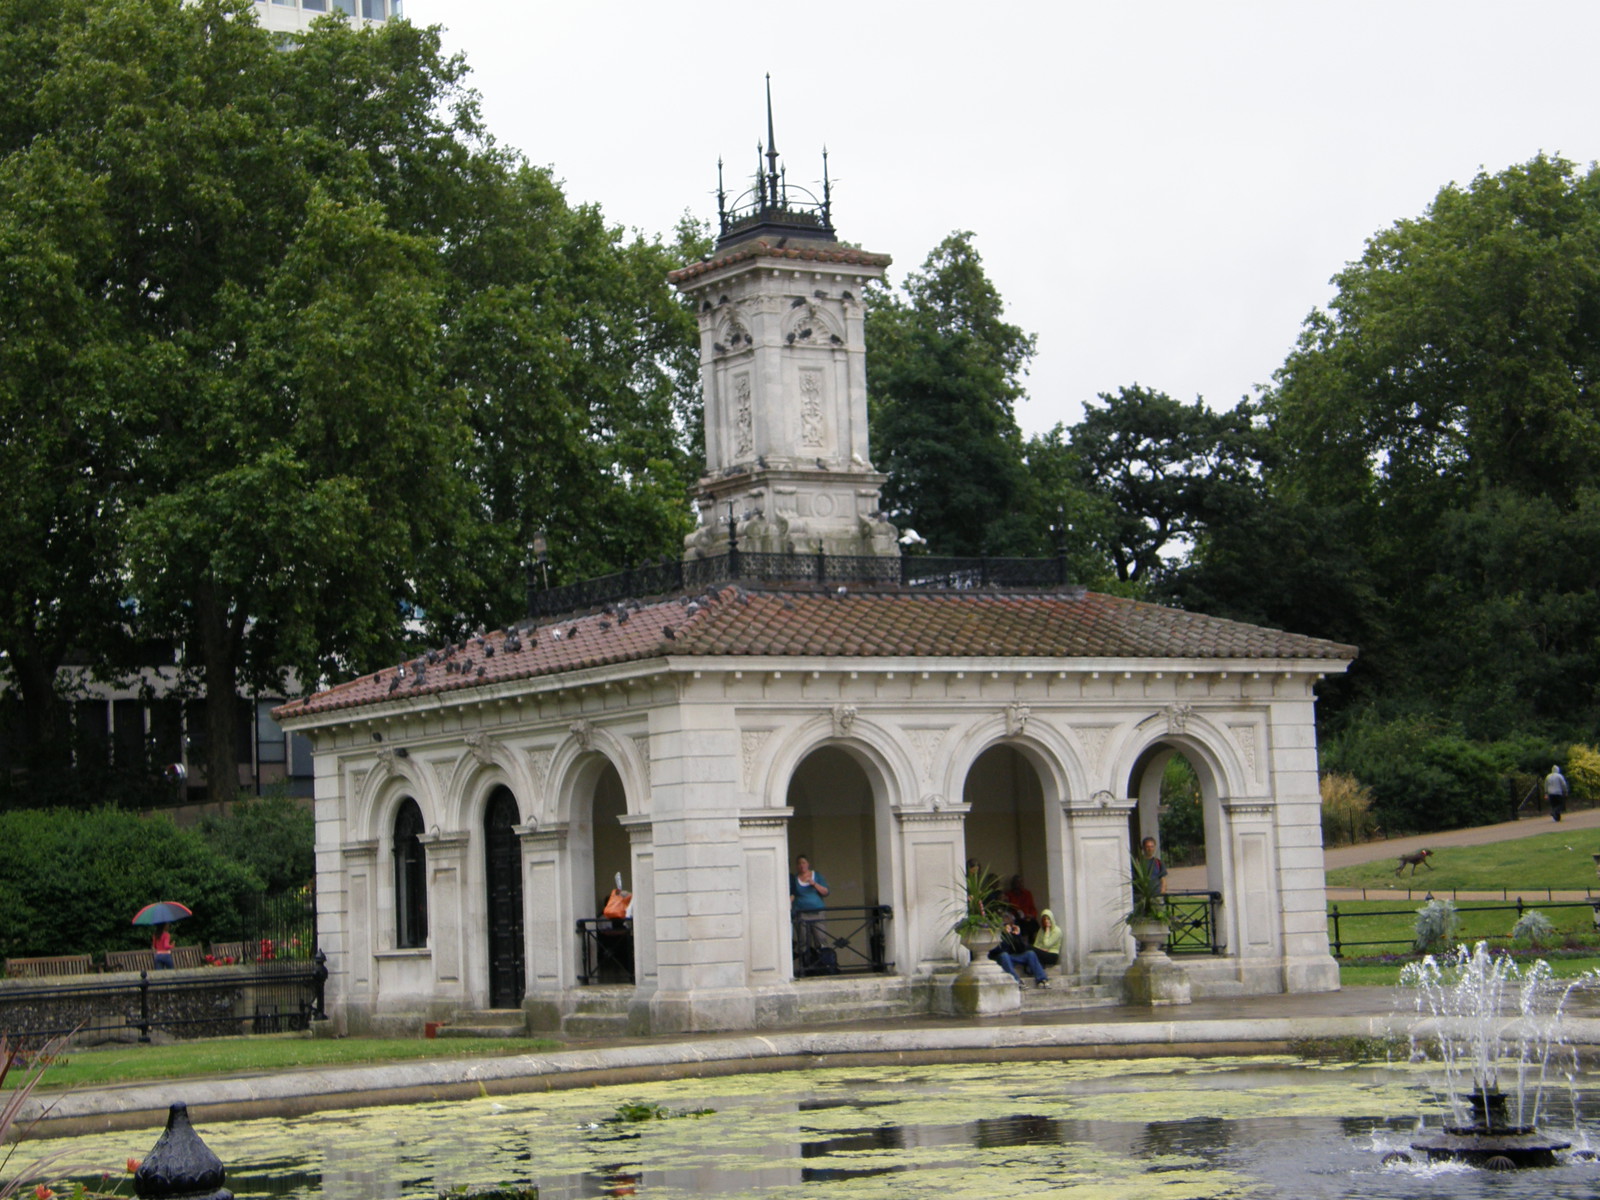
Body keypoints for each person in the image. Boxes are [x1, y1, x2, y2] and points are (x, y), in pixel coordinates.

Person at [989, 911, 1049, 987]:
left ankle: (1042, 979)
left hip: (1012, 957)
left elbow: (1021, 949)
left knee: (1030, 953)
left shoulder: (1012, 932)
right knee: (1004, 955)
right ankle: (1016, 980)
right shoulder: (996, 933)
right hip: (1000, 957)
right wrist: (1004, 935)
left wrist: (1017, 936)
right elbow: (997, 950)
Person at [790, 854, 830, 952]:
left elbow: (826, 892)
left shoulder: (817, 876)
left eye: (803, 863)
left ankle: (823, 962)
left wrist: (814, 884)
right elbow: (792, 894)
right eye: (799, 863)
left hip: (817, 913)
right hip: (801, 913)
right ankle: (805, 963)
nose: (801, 865)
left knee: (820, 938)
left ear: (808, 864)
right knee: (803, 940)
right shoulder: (794, 879)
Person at [1002, 874, 1039, 941]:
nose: (1018, 884)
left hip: (1027, 917)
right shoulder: (1008, 895)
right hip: (1016, 918)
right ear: (1013, 884)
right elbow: (1008, 909)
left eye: (1020, 882)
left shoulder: (1027, 894)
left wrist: (1031, 915)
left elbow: (1032, 908)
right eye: (1017, 882)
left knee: (1033, 923)